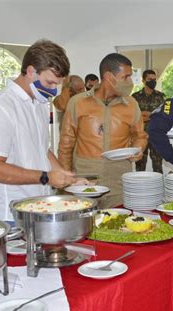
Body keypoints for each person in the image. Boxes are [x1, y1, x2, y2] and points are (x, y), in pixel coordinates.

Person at [0, 39, 86, 221]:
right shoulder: (1, 107)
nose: (54, 91)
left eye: (57, 84)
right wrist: (46, 177)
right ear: (31, 71)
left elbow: (41, 148)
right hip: (10, 214)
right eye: (49, 83)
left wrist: (66, 178)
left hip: (39, 207)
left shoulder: (40, 102)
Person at [58, 53, 147, 208]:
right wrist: (66, 179)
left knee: (117, 227)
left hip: (118, 181)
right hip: (84, 180)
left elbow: (140, 136)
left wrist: (139, 149)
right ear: (109, 77)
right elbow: (66, 143)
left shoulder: (131, 104)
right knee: (83, 228)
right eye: (125, 77)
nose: (130, 82)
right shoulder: (78, 103)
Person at [131, 69, 165, 173]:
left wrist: (148, 115)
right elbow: (132, 116)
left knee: (158, 165)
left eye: (154, 79)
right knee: (140, 164)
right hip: (141, 135)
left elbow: (165, 114)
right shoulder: (135, 97)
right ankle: (140, 188)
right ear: (143, 80)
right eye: (150, 79)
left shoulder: (161, 96)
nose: (153, 81)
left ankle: (158, 188)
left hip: (156, 134)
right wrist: (149, 115)